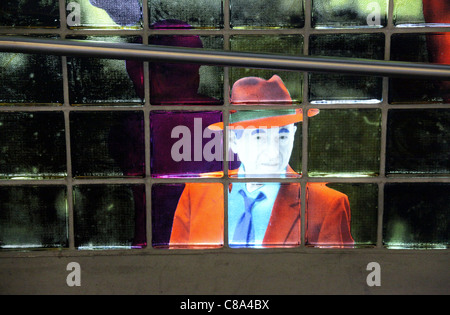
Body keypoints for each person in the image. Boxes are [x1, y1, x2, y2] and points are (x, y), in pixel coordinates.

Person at [169, 75, 355, 248]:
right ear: (233, 141)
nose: (273, 153)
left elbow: (335, 278)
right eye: (259, 138)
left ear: (294, 136)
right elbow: (176, 271)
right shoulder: (197, 191)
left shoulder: (327, 205)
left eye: (282, 137)